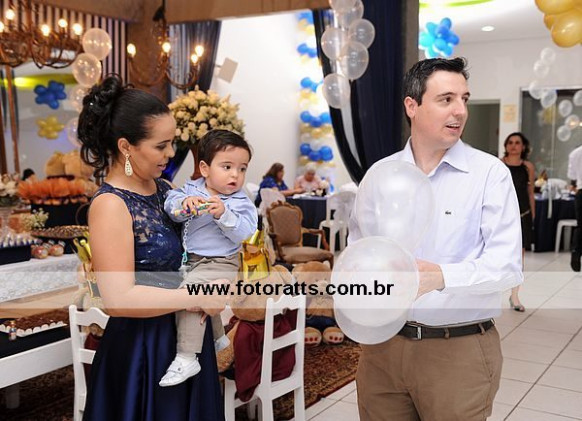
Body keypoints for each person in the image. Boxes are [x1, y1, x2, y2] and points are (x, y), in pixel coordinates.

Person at [349, 57, 523, 421]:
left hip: (457, 351)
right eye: (446, 99)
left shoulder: (489, 174)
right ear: (411, 106)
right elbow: (359, 251)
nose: (460, 111)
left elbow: (507, 268)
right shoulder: (379, 174)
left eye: (464, 99)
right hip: (382, 350)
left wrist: (440, 276)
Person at [77, 75, 228, 420]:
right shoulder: (111, 204)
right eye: (161, 146)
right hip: (144, 349)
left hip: (184, 336)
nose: (171, 153)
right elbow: (118, 299)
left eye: (171, 143)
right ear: (126, 147)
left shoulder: (163, 189)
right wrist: (195, 295)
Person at [161, 129, 257, 387]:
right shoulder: (191, 189)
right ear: (204, 168)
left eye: (242, 169)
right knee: (201, 298)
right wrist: (185, 205)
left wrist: (224, 214)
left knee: (190, 296)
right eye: (227, 167)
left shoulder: (241, 201)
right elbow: (171, 206)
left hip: (221, 262)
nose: (235, 175)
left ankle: (187, 356)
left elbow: (246, 233)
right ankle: (218, 337)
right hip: (191, 260)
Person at [502, 132, 535, 311]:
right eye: (510, 142)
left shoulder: (528, 167)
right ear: (506, 146)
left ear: (523, 147)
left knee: (518, 258)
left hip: (523, 215)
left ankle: (514, 296)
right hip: (504, 217)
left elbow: (530, 193)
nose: (514, 146)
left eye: (517, 143)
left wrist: (532, 216)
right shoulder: (499, 164)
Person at [567, 144, 582, 271]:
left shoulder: (575, 153)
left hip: (581, 192)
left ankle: (576, 253)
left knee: (580, 225)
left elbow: (572, 177)